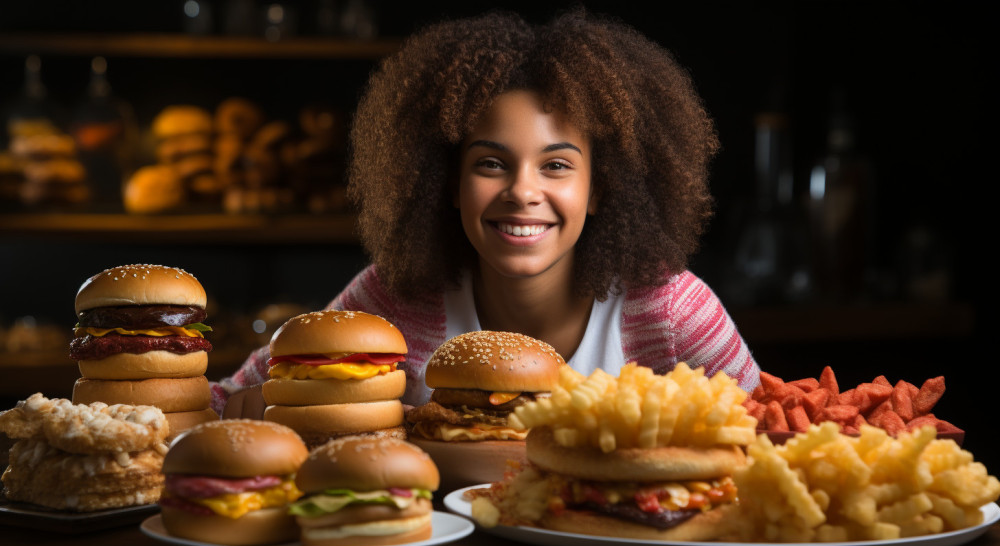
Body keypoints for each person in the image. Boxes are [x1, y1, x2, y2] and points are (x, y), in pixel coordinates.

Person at [214, 7, 760, 419]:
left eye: (556, 166)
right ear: (448, 184)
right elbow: (229, 398)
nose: (523, 192)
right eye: (492, 164)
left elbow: (770, 430)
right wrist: (267, 403)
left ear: (600, 189)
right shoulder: (397, 296)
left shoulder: (670, 309)